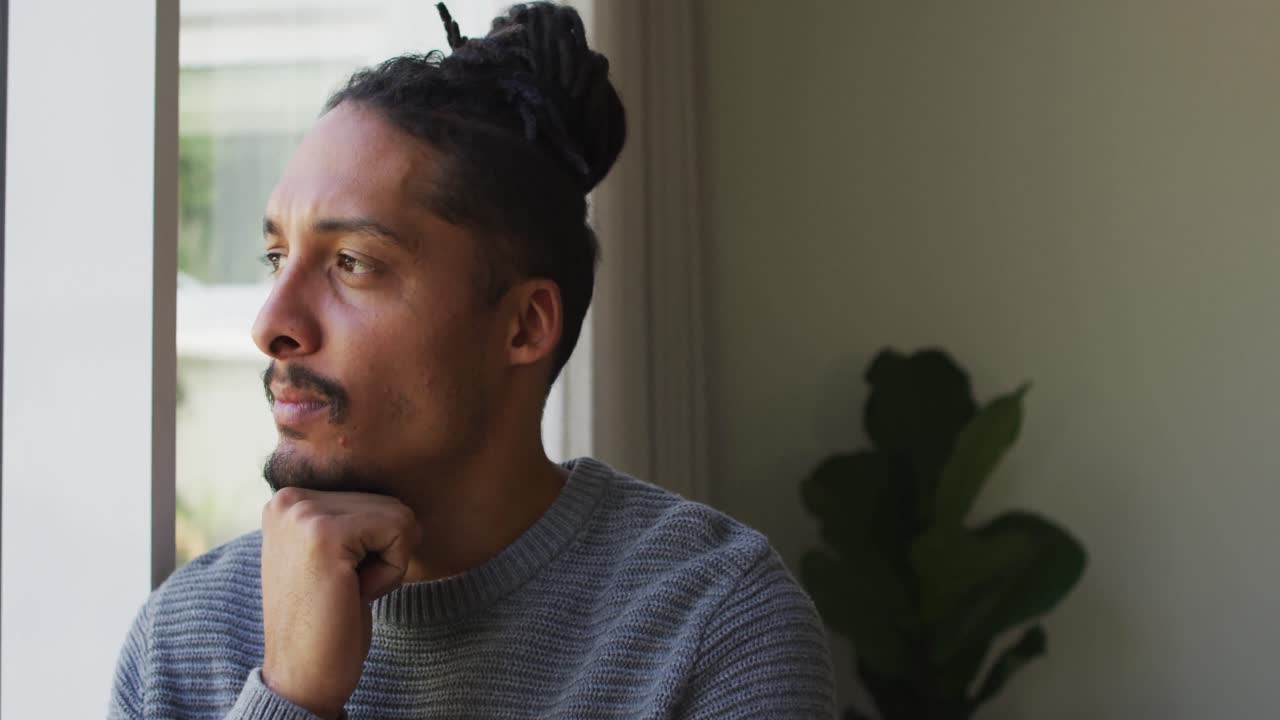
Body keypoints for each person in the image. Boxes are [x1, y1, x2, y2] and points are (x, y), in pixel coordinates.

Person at [109, 3, 835, 718]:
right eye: (276, 258)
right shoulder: (185, 640)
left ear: (524, 324)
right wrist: (291, 694)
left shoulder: (712, 621)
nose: (271, 325)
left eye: (353, 263)